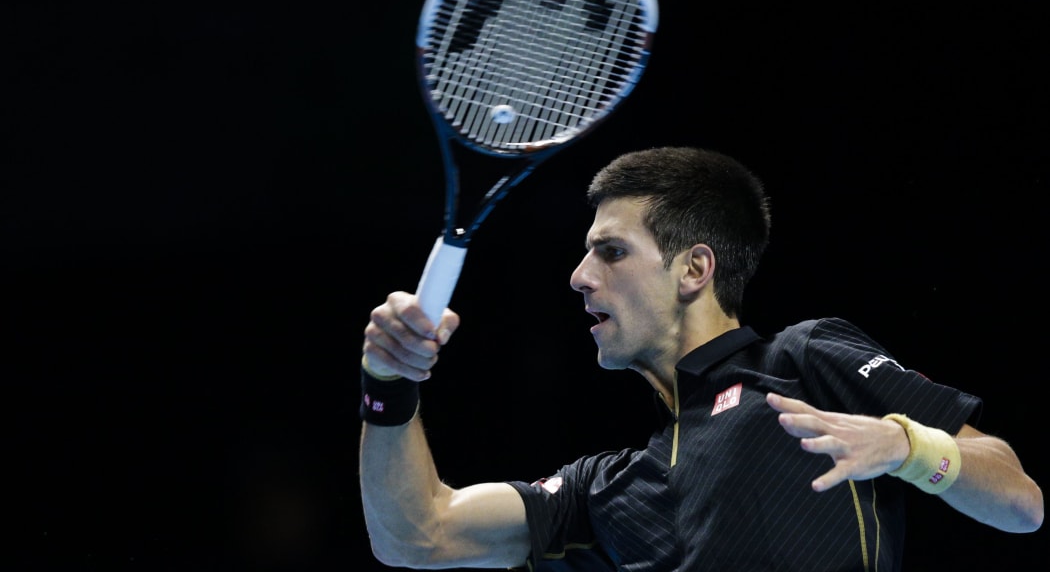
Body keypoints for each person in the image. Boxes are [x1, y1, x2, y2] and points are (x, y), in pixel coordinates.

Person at [359, 146, 1043, 570]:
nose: (579, 275)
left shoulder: (801, 363)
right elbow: (418, 535)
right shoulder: (610, 489)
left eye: (612, 251)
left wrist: (905, 445)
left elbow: (1019, 499)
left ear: (694, 270)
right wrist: (388, 383)